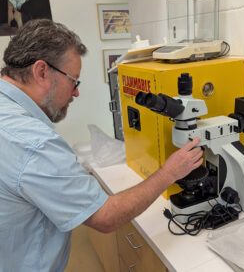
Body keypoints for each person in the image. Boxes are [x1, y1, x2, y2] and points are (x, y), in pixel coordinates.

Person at [0, 19, 203, 272]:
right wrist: (170, 172)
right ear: (41, 71)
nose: (76, 93)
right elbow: (106, 217)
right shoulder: (32, 143)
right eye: (74, 81)